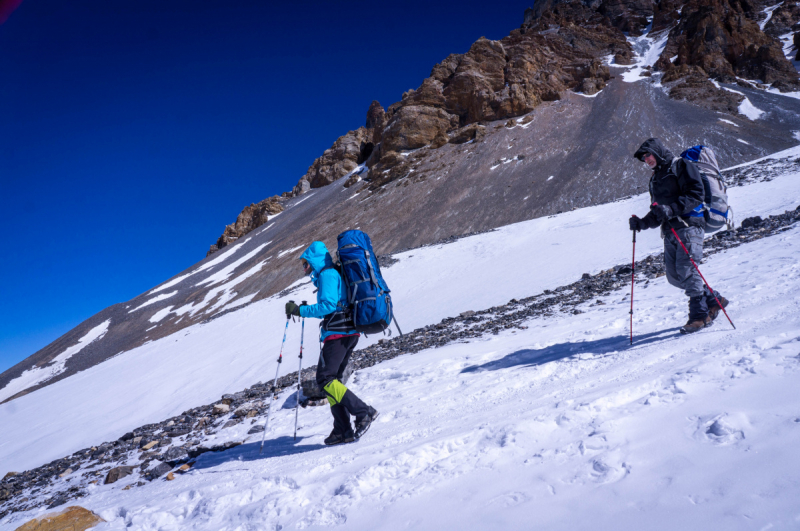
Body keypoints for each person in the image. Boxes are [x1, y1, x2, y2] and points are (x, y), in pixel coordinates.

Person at [629, 138, 729, 334]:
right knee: (674, 277)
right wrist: (642, 223)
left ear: (656, 151)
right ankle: (714, 300)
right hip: (670, 230)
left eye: (648, 154)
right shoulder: (656, 178)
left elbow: (696, 194)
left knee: (686, 269)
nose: (646, 159)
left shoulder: (681, 165)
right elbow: (659, 211)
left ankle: (699, 316)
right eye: (643, 157)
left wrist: (672, 209)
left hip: (689, 225)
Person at [285, 241, 379, 445]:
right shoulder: (331, 273)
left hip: (339, 332)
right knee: (332, 380)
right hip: (347, 332)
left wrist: (300, 311)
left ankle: (363, 411)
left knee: (325, 379)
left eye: (305, 263)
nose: (304, 268)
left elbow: (327, 306)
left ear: (313, 260)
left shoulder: (328, 274)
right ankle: (342, 430)